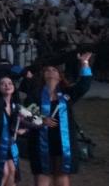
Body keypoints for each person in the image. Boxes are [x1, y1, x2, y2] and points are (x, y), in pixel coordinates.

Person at [24, 52, 94, 186]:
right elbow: (26, 116)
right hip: (40, 141)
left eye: (54, 70)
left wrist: (84, 63)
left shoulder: (67, 94)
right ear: (43, 76)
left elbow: (84, 85)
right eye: (47, 70)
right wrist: (41, 120)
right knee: (42, 178)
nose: (50, 72)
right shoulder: (34, 95)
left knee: (62, 177)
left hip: (63, 142)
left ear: (59, 76)